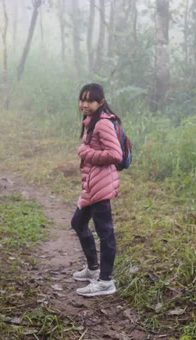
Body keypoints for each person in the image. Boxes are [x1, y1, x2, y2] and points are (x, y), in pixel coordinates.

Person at [71, 83, 123, 297]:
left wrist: (86, 152)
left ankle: (105, 281)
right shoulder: (91, 122)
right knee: (78, 222)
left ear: (100, 102)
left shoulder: (102, 124)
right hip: (92, 187)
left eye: (90, 100)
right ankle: (93, 269)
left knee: (106, 234)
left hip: (100, 188)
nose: (85, 104)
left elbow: (115, 155)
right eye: (82, 99)